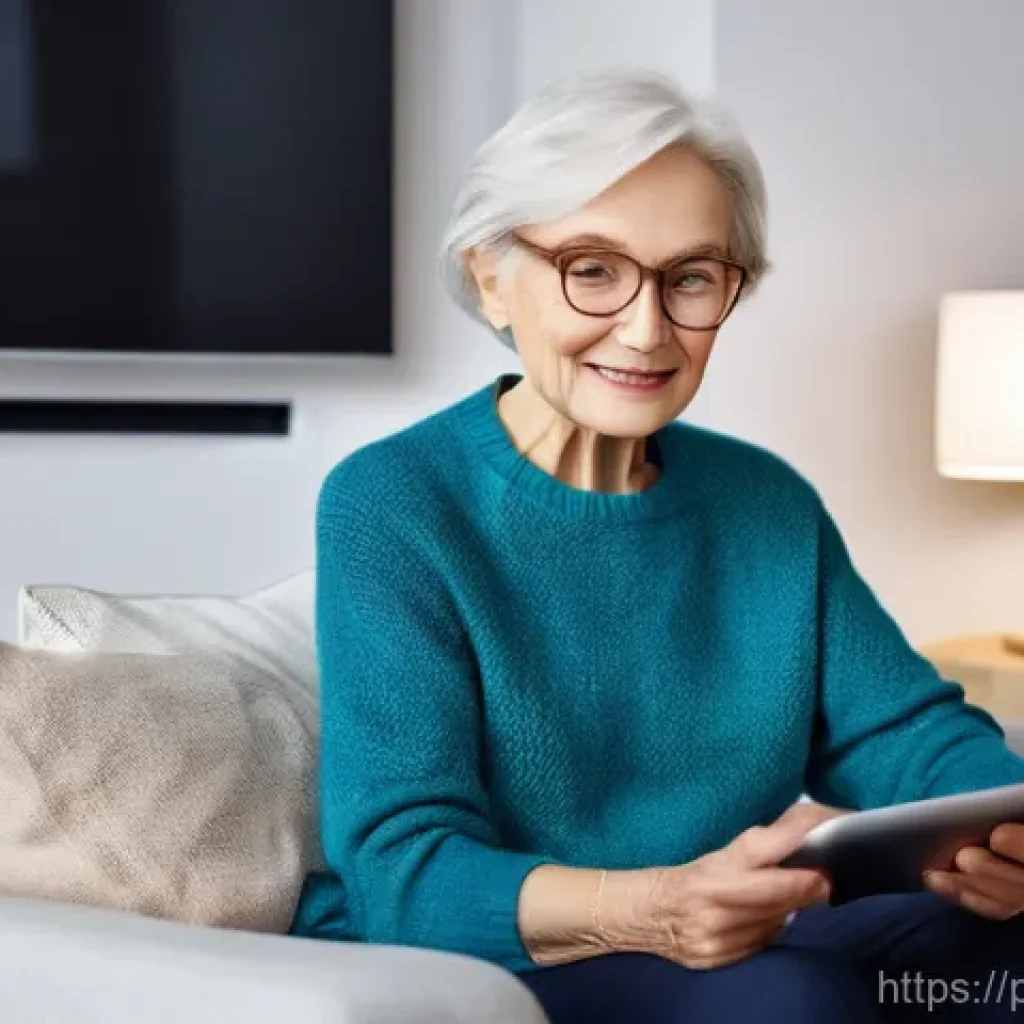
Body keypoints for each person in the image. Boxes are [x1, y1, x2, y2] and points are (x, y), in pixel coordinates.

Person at [291, 69, 1024, 1022]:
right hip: (512, 955)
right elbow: (406, 870)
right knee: (786, 999)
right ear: (490, 274)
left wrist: (995, 834)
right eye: (592, 269)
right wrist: (655, 909)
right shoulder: (393, 504)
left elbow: (904, 733)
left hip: (741, 934)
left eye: (690, 278)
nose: (645, 330)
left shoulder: (766, 502)